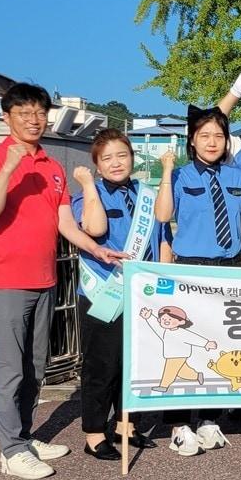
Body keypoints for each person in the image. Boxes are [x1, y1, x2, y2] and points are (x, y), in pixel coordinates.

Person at [0, 83, 126, 480]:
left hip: (45, 279)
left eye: (40, 112)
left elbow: (64, 223)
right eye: (24, 113)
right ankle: (11, 450)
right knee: (10, 370)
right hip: (6, 281)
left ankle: (23, 436)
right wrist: (8, 167)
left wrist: (96, 249)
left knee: (36, 366)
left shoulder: (53, 167)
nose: (34, 119)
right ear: (7, 118)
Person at [153, 105, 241, 456]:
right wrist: (166, 172)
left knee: (217, 344)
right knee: (182, 345)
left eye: (219, 136)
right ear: (192, 141)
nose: (212, 142)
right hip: (191, 268)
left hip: (231, 267)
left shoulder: (239, 178)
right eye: (205, 136)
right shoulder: (180, 176)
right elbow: (164, 216)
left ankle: (210, 416)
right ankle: (179, 423)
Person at [71, 129, 167, 462]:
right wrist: (86, 184)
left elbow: (161, 238)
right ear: (96, 164)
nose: (116, 163)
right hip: (103, 291)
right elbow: (94, 230)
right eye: (107, 158)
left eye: (122, 155)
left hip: (142, 293)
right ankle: (95, 432)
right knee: (102, 364)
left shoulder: (146, 193)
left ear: (132, 157)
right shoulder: (88, 194)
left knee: (135, 363)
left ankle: (126, 425)